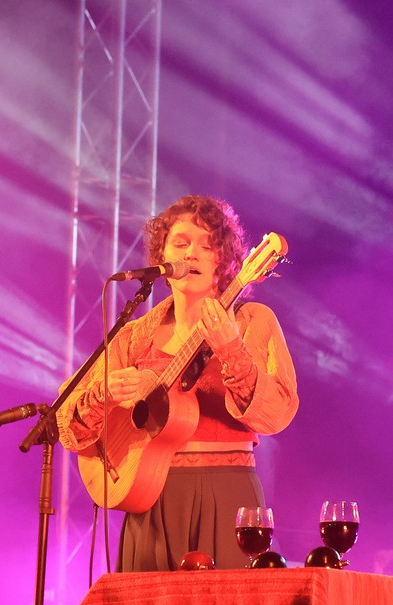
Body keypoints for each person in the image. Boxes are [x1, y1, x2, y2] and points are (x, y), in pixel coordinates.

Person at [57, 194, 299, 571]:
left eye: (207, 246)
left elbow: (278, 412)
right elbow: (67, 419)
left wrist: (232, 349)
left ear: (226, 260)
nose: (192, 254)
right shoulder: (136, 334)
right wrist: (106, 393)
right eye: (181, 244)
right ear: (161, 258)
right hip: (150, 494)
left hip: (227, 493)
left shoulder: (252, 320)